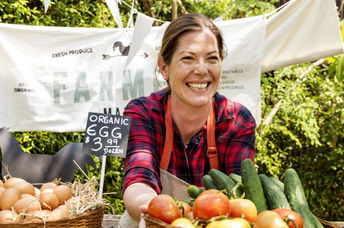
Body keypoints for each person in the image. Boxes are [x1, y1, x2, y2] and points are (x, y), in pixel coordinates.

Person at [120, 12, 256, 227]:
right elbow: (139, 178)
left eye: (212, 58)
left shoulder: (236, 120)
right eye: (187, 58)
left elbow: (238, 198)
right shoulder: (142, 112)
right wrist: (153, 210)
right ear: (164, 68)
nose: (202, 70)